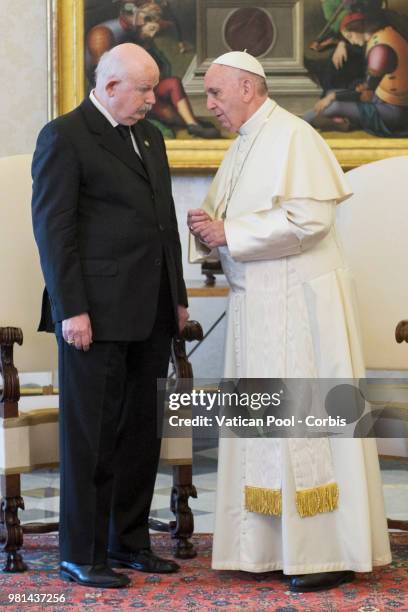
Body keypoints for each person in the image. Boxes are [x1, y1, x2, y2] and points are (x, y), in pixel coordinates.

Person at [188, 51, 391, 592]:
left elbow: (311, 217)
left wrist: (230, 233)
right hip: (259, 304)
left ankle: (327, 552)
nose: (208, 106)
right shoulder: (244, 146)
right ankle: (267, 548)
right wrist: (211, 231)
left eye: (215, 94)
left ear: (248, 88)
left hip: (300, 307)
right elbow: (229, 221)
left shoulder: (294, 137)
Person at [32, 43, 189, 588]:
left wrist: (178, 293)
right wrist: (71, 309)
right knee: (92, 437)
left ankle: (129, 542)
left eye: (153, 88)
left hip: (150, 310)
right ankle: (82, 552)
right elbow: (55, 233)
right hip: (92, 317)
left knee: (140, 435)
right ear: (111, 84)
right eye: (144, 89)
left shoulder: (150, 136)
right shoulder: (65, 136)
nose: (153, 99)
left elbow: (162, 219)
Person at [86, 0, 219, 138]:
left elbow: (159, 68)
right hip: (123, 95)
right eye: (148, 18)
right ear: (131, 12)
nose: (154, 24)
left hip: (144, 88)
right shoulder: (103, 33)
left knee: (173, 84)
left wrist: (147, 46)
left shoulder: (138, 34)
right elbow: (101, 78)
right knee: (170, 116)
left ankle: (193, 125)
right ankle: (186, 122)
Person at [304, 9, 408, 135]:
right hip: (381, 99)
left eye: (350, 36)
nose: (351, 41)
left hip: (394, 112)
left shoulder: (379, 51)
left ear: (358, 28)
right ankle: (342, 122)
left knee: (334, 105)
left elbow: (366, 95)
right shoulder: (382, 35)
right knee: (332, 94)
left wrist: (333, 97)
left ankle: (303, 122)